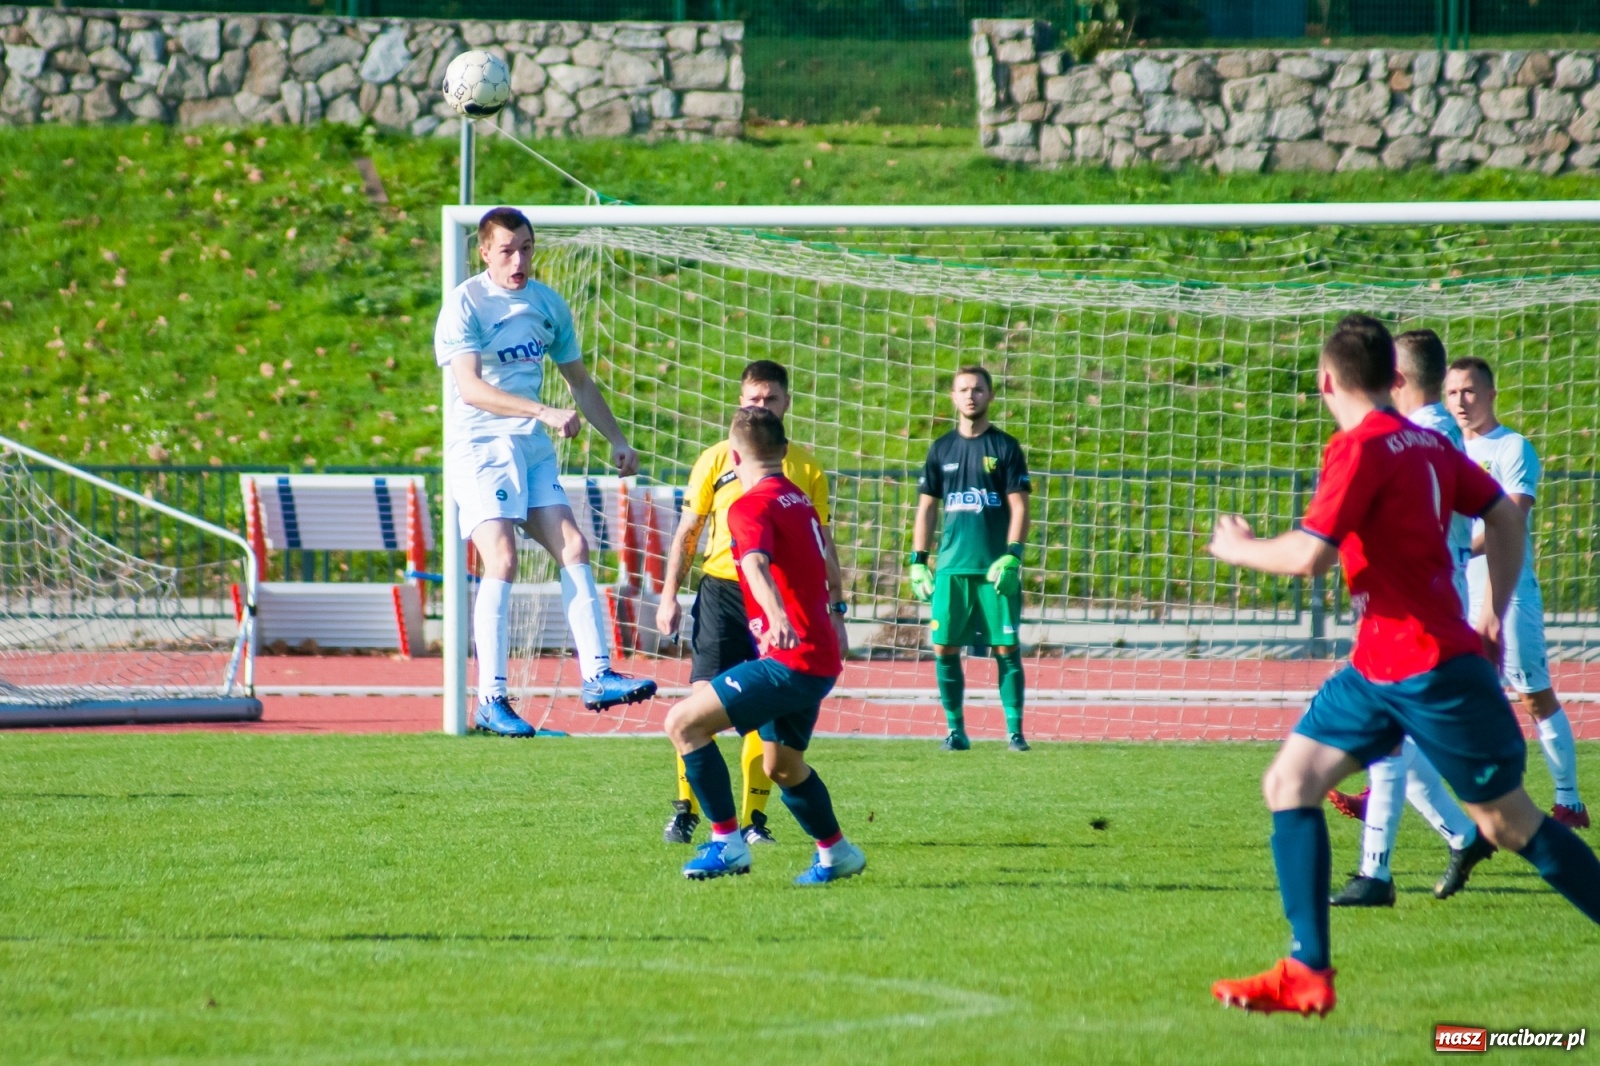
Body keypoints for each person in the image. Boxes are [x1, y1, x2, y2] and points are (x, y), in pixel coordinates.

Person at [1207, 317, 1600, 1017]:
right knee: (1290, 782)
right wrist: (1492, 616)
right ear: (1392, 377)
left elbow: (1311, 555)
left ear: (1326, 382)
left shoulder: (1359, 447)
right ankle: (1306, 971)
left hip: (1427, 668)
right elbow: (1504, 516)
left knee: (1508, 823)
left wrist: (1238, 548)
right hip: (1378, 667)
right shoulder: (1429, 443)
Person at [435, 206, 656, 735]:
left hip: (531, 446)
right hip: (480, 445)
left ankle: (597, 676)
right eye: (507, 250)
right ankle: (491, 700)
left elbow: (579, 381)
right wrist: (542, 411)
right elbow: (470, 389)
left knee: (574, 547)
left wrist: (618, 440)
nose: (518, 260)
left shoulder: (547, 304)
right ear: (484, 252)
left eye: (526, 249)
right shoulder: (465, 303)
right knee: (502, 558)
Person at [1324, 328, 1495, 907]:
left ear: (1394, 378)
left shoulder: (1417, 436)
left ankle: (1376, 873)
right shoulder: (1432, 433)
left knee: (1389, 743)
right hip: (1419, 601)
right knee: (1398, 740)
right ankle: (1464, 836)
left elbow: (1497, 512)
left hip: (1420, 609)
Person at [662, 407, 863, 884]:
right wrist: (836, 611)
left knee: (683, 723)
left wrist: (776, 618)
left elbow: (753, 563)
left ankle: (727, 845)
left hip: (788, 659)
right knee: (783, 766)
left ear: (733, 457)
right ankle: (837, 853)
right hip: (817, 658)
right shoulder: (798, 497)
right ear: (784, 451)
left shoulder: (748, 505)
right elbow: (825, 561)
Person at [1446, 356, 1588, 830]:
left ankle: (1568, 801)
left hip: (1507, 593)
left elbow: (1510, 518)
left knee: (1533, 696)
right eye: (1452, 393)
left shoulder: (1512, 447)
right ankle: (1387, 788)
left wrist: (1452, 548)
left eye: (1469, 391)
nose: (1461, 401)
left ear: (1490, 395)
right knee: (1431, 692)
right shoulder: (1444, 449)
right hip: (1453, 593)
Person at [910, 366, 1032, 752]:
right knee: (944, 647)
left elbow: (1020, 506)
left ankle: (1015, 732)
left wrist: (1012, 556)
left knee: (1005, 648)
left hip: (994, 570)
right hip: (951, 568)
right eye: (963, 389)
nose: (970, 396)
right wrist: (918, 560)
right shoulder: (941, 449)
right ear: (953, 397)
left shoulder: (1005, 447)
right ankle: (955, 730)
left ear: (990, 395)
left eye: (978, 389)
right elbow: (926, 508)